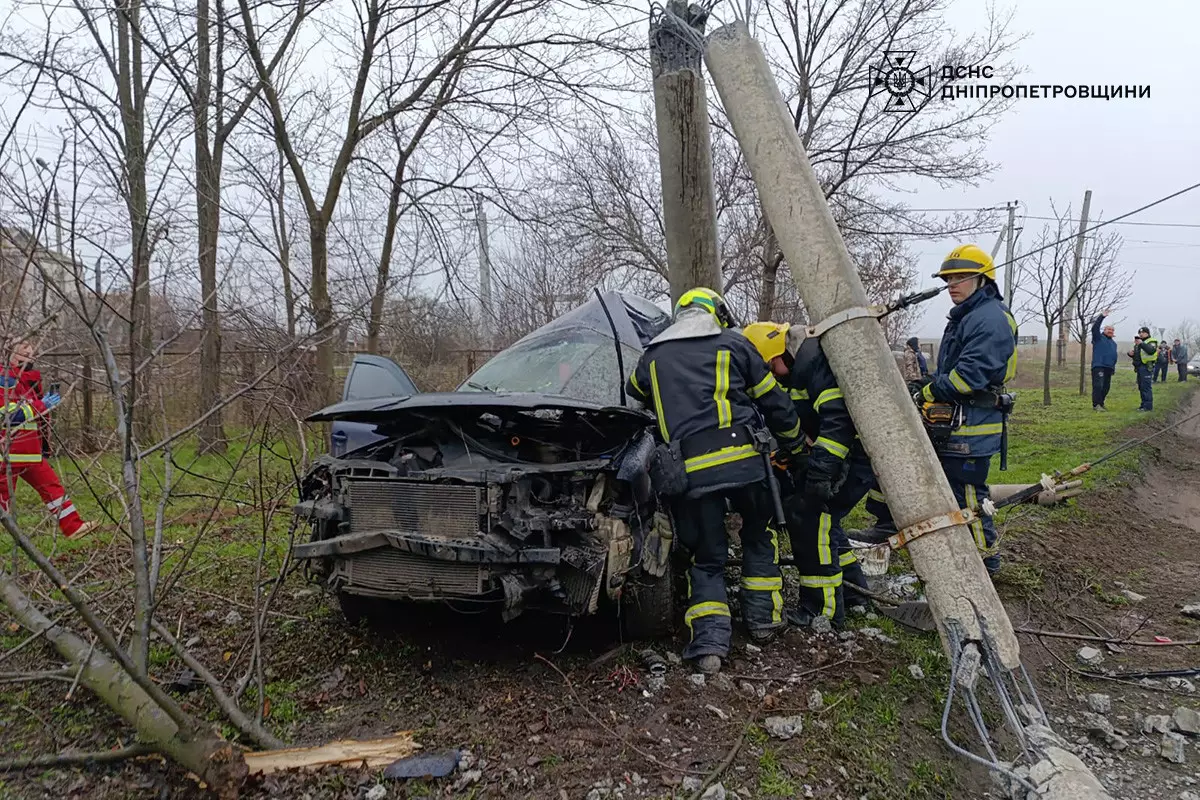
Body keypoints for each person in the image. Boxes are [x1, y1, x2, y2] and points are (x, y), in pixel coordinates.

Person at [626, 288, 805, 675]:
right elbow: (775, 403)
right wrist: (795, 446)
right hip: (745, 466)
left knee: (706, 557)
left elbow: (633, 393)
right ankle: (763, 622)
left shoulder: (653, 357)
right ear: (717, 313)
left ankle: (709, 646)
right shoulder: (735, 346)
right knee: (759, 535)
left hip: (689, 473)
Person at [869, 245, 1017, 575]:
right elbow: (950, 369)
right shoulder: (967, 315)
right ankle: (886, 526)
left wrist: (926, 392)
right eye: (949, 278)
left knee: (966, 493)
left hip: (973, 426)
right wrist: (925, 383)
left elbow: (968, 376)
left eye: (961, 277)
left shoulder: (991, 319)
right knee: (902, 467)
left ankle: (985, 560)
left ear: (983, 280)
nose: (952, 284)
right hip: (955, 421)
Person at [742, 321, 874, 630]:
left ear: (780, 353)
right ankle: (855, 593)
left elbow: (838, 424)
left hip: (848, 458)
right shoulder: (801, 367)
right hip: (839, 459)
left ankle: (822, 610)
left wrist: (819, 474)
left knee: (811, 521)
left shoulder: (818, 365)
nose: (772, 375)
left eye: (770, 367)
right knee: (830, 526)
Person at [0, 342, 97, 539]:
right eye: (24, 351)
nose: (30, 355)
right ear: (11, 354)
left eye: (31, 350)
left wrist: (44, 408)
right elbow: (6, 415)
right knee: (3, 497)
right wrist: (40, 405)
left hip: (30, 451)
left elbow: (35, 417)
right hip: (8, 452)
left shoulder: (28, 379)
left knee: (53, 487)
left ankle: (73, 527)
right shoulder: (4, 378)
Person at [1090, 310, 1117, 411]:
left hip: (1109, 367)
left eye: (1112, 330)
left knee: (1106, 387)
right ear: (1104, 330)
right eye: (1108, 329)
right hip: (1099, 366)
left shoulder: (1114, 343)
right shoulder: (1098, 338)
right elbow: (1095, 328)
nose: (1110, 331)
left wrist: (1113, 368)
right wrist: (1102, 316)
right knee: (1098, 385)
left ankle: (1101, 403)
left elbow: (1114, 356)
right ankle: (1096, 405)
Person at [1129, 328, 1158, 411]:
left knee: (1146, 387)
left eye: (1143, 332)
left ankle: (1148, 407)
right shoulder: (1138, 343)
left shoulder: (1151, 341)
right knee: (1141, 387)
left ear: (1147, 333)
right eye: (1140, 333)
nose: (1141, 334)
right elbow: (1138, 355)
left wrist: (1141, 343)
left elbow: (1151, 351)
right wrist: (1130, 354)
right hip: (1139, 367)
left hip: (1147, 367)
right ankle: (1143, 405)